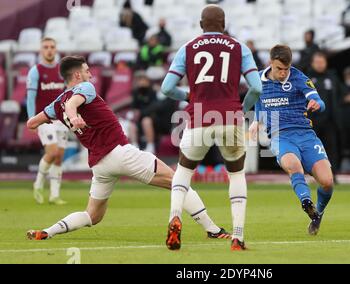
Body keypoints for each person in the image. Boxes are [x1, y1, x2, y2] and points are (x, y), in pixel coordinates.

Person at [26, 56, 231, 241]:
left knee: (93, 215)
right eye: (87, 70)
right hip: (120, 152)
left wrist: (46, 123)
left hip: (100, 165)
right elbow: (72, 104)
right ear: (78, 75)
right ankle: (213, 229)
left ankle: (48, 231)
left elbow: (32, 123)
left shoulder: (56, 103)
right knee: (178, 180)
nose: (90, 74)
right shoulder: (86, 87)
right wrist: (73, 116)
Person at [161, 5, 262, 251]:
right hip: (230, 116)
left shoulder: (187, 48)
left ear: (200, 24)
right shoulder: (240, 48)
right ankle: (237, 236)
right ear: (224, 23)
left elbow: (166, 87)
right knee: (236, 174)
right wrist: (242, 107)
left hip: (199, 117)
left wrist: (187, 96)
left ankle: (175, 217)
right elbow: (257, 88)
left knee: (183, 172)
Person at [249, 45, 334, 236]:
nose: (283, 73)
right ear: (271, 63)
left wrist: (316, 104)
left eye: (286, 69)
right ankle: (306, 201)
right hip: (281, 135)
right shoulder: (258, 81)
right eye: (279, 68)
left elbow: (319, 101)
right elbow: (258, 102)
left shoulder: (298, 77)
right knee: (293, 165)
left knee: (327, 182)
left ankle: (317, 214)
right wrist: (256, 120)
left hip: (305, 134)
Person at [26, 37, 67, 205]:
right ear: (41, 50)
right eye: (46, 47)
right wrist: (32, 119)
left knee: (59, 157)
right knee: (52, 152)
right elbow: (30, 97)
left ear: (56, 49)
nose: (49, 50)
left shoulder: (62, 70)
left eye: (52, 47)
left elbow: (67, 93)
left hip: (61, 119)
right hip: (44, 119)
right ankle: (37, 184)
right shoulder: (36, 71)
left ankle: (54, 195)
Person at [307, 52, 342, 174]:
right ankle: (312, 173)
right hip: (312, 120)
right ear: (312, 63)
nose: (320, 65)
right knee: (310, 148)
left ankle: (332, 174)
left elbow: (338, 98)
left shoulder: (332, 78)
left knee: (331, 148)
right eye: (317, 62)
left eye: (322, 62)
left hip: (329, 121)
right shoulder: (307, 78)